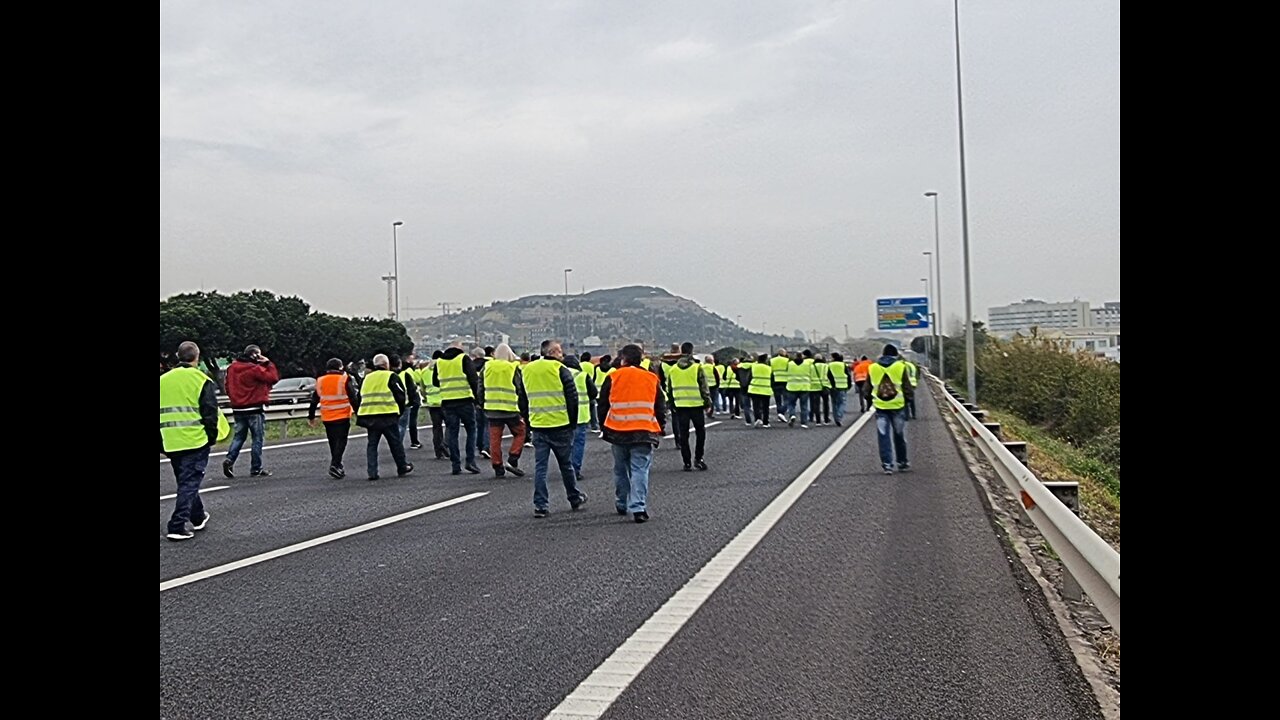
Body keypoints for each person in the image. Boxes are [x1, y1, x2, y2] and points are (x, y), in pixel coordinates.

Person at [160, 341, 228, 541]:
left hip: (170, 440)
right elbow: (210, 413)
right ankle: (177, 525)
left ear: (177, 356)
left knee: (186, 481)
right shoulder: (200, 379)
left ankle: (197, 517)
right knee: (189, 483)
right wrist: (211, 437)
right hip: (195, 439)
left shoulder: (163, 380)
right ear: (196, 357)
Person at [599, 344, 666, 523]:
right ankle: (638, 507)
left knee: (620, 469)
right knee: (640, 470)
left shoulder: (613, 376)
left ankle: (621, 502)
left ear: (623, 359)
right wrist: (661, 426)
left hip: (617, 431)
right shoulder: (651, 378)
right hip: (644, 430)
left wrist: (602, 426)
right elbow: (660, 406)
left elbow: (602, 404)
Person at [523, 341, 586, 517]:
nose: (562, 354)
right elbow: (572, 398)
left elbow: (522, 397)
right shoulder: (560, 369)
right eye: (560, 351)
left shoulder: (527, 369)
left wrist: (528, 422)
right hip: (560, 425)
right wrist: (573, 423)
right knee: (566, 465)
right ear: (554, 352)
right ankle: (574, 497)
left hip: (538, 425)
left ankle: (540, 505)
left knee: (540, 467)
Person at [222, 344, 279, 478]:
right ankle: (256, 468)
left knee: (239, 436)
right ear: (255, 355)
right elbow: (273, 378)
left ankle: (230, 459)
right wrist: (268, 363)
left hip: (237, 408)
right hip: (254, 407)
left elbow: (227, 385)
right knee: (257, 438)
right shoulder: (254, 369)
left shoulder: (232, 368)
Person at [357, 354, 413, 480]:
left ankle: (372, 471)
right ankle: (402, 466)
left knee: (372, 444)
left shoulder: (367, 378)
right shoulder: (390, 376)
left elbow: (359, 396)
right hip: (387, 415)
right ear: (386, 365)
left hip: (369, 415)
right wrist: (400, 411)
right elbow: (400, 394)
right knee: (395, 443)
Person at [433, 340, 482, 475]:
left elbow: (435, 382)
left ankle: (455, 464)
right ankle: (470, 461)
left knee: (452, 433)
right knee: (471, 430)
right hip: (465, 401)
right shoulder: (463, 359)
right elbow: (473, 380)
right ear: (460, 349)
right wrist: (478, 400)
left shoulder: (440, 362)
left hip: (447, 402)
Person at [478, 343, 527, 477]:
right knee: (520, 432)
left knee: (495, 438)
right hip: (510, 408)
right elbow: (520, 389)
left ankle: (497, 466)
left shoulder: (487, 367)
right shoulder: (512, 367)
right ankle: (513, 458)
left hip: (492, 409)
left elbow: (480, 387)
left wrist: (482, 404)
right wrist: (523, 408)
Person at [308, 357, 360, 478]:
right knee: (341, 441)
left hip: (327, 417)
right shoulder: (344, 379)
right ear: (340, 367)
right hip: (342, 415)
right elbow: (352, 397)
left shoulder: (320, 380)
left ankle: (338, 465)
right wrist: (358, 412)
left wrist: (311, 416)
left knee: (333, 442)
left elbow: (314, 400)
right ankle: (335, 464)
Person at [664, 342, 712, 471]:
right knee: (700, 433)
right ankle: (698, 458)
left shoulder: (673, 369)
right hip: (696, 406)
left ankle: (687, 462)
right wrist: (708, 403)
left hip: (680, 406)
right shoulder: (697, 367)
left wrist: (671, 404)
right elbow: (704, 388)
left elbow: (670, 389)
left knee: (683, 435)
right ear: (691, 351)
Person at [868, 344, 911, 473]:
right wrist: (908, 401)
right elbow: (906, 387)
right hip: (898, 406)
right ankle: (902, 462)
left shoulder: (873, 367)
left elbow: (867, 388)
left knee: (883, 436)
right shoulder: (900, 366)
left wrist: (870, 400)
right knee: (899, 435)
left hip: (880, 406)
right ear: (895, 354)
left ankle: (887, 464)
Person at [562, 355, 596, 482]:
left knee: (566, 444)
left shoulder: (560, 375)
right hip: (581, 416)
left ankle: (566, 469)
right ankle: (575, 470)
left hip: (564, 416)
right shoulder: (583, 376)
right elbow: (593, 393)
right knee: (578, 444)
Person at [392, 355, 421, 447]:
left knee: (395, 425)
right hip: (405, 403)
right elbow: (412, 387)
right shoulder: (406, 373)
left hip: (391, 403)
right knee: (403, 425)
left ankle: (395, 442)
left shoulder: (388, 374)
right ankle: (398, 444)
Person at [424, 351, 446, 459]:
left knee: (436, 428)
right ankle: (446, 447)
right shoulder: (443, 368)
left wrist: (426, 398)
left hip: (432, 403)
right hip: (444, 401)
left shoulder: (424, 371)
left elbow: (423, 389)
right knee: (450, 427)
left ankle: (438, 451)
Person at [470, 347, 492, 458]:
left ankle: (479, 445)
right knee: (487, 424)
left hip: (475, 399)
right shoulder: (489, 365)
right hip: (487, 397)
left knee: (478, 424)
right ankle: (486, 446)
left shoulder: (470, 366)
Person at [747, 353, 774, 428]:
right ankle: (766, 422)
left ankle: (757, 418)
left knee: (756, 406)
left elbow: (749, 378)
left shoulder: (753, 367)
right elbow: (772, 380)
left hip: (754, 389)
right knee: (765, 407)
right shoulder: (769, 368)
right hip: (766, 389)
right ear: (765, 360)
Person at [827, 352, 852, 426]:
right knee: (842, 403)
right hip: (842, 386)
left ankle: (836, 418)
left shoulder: (830, 365)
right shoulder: (843, 365)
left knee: (834, 403)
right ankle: (839, 416)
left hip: (833, 387)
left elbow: (828, 375)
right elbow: (848, 376)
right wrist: (849, 385)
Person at [770, 348, 791, 423]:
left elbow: (770, 371)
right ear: (784, 353)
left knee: (778, 400)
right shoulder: (787, 361)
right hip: (785, 381)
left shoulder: (772, 360)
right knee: (787, 399)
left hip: (775, 381)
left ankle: (779, 414)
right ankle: (782, 412)